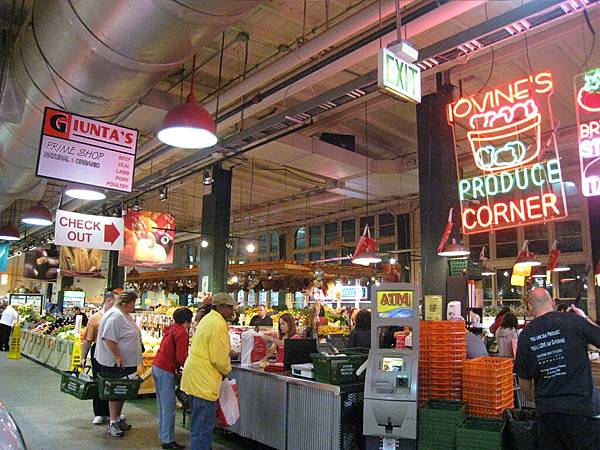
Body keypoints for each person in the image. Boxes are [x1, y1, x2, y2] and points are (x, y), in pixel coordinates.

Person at [515, 288, 600, 449]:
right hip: (582, 412)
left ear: (530, 306)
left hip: (548, 416)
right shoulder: (573, 321)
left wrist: (534, 397)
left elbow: (524, 384)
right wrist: (584, 318)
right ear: (553, 302)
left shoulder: (525, 336)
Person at [181, 293, 235, 450]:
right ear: (219, 307)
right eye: (229, 307)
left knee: (199, 425)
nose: (232, 311)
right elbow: (218, 358)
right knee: (203, 427)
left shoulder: (209, 319)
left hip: (197, 379)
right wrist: (227, 369)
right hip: (204, 382)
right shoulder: (218, 324)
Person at [94, 289, 142, 438]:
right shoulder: (115, 316)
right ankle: (113, 422)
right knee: (115, 391)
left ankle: (117, 418)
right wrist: (117, 356)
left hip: (125, 363)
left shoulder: (122, 314)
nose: (134, 306)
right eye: (133, 303)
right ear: (126, 302)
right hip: (116, 363)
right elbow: (108, 338)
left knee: (122, 390)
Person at [152, 307, 193, 450]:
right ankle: (168, 440)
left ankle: (163, 435)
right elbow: (181, 357)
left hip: (157, 366)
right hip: (165, 369)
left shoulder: (171, 329)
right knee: (169, 406)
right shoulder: (182, 333)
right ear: (188, 320)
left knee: (162, 405)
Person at [81, 291, 116, 425]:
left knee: (111, 382)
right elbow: (88, 339)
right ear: (108, 301)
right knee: (99, 381)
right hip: (98, 351)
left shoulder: (117, 317)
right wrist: (83, 357)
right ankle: (99, 412)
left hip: (113, 352)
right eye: (115, 301)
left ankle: (111, 412)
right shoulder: (95, 318)